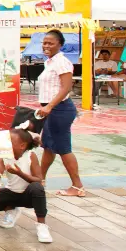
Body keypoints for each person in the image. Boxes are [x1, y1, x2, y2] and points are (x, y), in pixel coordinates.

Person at [0, 127, 52, 242]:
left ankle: (41, 225)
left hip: (28, 195)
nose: (6, 144)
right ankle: (11, 209)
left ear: (22, 145)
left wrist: (19, 173)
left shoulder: (30, 155)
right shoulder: (4, 156)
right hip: (12, 193)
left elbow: (38, 179)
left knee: (37, 187)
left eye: (10, 142)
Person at [38, 30, 84, 197]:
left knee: (63, 147)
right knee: (48, 146)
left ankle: (77, 186)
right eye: (44, 42)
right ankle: (40, 179)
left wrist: (49, 106)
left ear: (60, 45)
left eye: (50, 43)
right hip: (51, 109)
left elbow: (66, 88)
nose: (46, 46)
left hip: (59, 109)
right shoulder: (49, 62)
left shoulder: (62, 62)